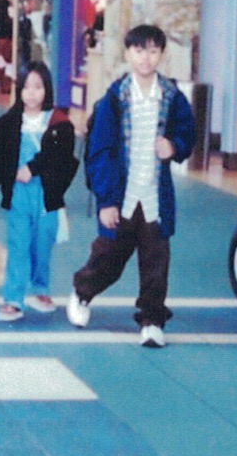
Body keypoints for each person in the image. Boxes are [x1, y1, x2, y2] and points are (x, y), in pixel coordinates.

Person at [65, 24, 197, 349]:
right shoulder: (114, 98)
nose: (146, 58)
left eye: (153, 51)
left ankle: (152, 319)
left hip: (154, 197)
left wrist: (175, 146)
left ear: (162, 55)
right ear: (128, 53)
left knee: (156, 261)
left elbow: (187, 133)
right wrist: (106, 200)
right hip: (121, 198)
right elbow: (100, 152)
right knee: (108, 258)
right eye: (139, 50)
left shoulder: (172, 96)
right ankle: (82, 293)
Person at [0, 61, 78, 322]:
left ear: (47, 89)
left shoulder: (60, 123)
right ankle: (13, 298)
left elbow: (62, 156)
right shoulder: (8, 123)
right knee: (18, 245)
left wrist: (34, 167)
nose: (31, 93)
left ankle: (40, 289)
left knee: (42, 243)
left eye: (38, 87)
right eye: (26, 87)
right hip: (18, 194)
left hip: (47, 195)